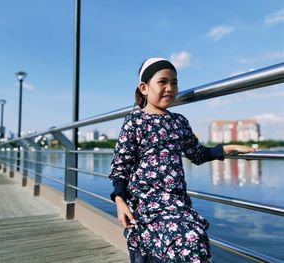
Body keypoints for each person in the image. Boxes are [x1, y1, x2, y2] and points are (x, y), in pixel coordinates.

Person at [109, 57, 255, 263]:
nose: (170, 88)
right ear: (143, 87)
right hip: (145, 202)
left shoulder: (179, 121)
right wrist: (120, 200)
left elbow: (197, 154)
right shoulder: (134, 121)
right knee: (181, 242)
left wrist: (226, 148)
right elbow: (120, 166)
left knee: (194, 240)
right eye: (163, 82)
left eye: (175, 82)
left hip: (176, 202)